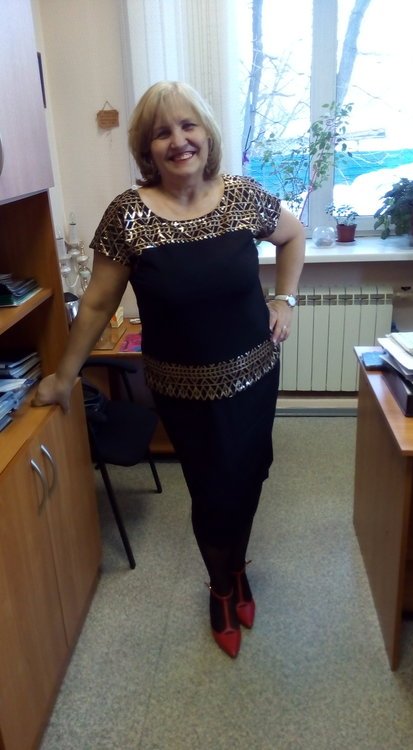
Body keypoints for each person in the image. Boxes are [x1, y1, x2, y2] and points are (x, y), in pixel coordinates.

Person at [34, 81, 305, 658]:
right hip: (184, 392)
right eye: (162, 132)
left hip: (255, 376)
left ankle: (238, 569)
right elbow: (98, 304)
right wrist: (63, 376)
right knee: (211, 490)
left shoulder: (243, 196)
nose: (179, 141)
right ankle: (220, 587)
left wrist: (284, 300)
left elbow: (293, 235)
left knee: (250, 475)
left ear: (207, 135)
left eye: (188, 126)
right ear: (146, 148)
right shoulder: (128, 215)